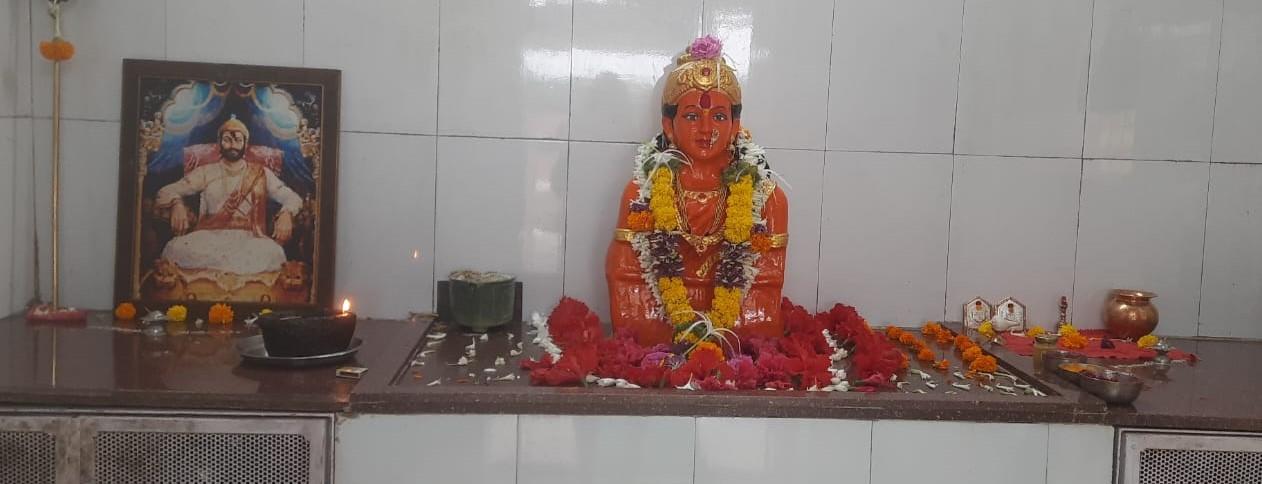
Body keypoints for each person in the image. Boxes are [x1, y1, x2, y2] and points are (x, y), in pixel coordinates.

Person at [605, 36, 788, 345]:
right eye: (691, 116)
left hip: (737, 326)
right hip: (659, 320)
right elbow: (626, 283)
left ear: (735, 124)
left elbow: (765, 296)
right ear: (668, 124)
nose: (706, 129)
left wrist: (715, 334)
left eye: (718, 116)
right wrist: (681, 330)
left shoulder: (769, 199)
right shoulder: (642, 194)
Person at [155, 116, 303, 275]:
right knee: (175, 249)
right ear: (219, 143)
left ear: (246, 144)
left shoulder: (261, 173)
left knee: (273, 252)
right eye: (227, 139)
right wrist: (177, 203)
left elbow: (293, 198)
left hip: (249, 239)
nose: (232, 144)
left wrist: (286, 213)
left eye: (238, 139)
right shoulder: (206, 172)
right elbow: (164, 192)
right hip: (208, 237)